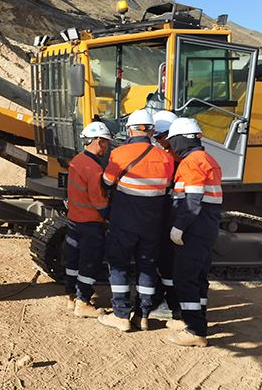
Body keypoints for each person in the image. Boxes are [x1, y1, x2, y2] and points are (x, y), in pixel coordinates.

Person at [97, 109, 175, 332]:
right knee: (147, 267)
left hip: (124, 222)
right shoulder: (166, 158)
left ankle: (121, 315)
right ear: (151, 131)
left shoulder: (120, 153)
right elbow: (166, 188)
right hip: (152, 225)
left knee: (119, 265)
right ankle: (143, 315)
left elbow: (107, 182)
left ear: (130, 130)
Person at [165, 117, 223, 347]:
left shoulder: (191, 162)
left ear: (180, 140)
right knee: (199, 278)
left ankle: (195, 330)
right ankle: (198, 321)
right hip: (207, 227)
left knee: (185, 279)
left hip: (193, 230)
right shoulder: (208, 159)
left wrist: (178, 227)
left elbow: (193, 200)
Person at [64, 121, 112, 317]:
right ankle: (83, 302)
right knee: (89, 262)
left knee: (74, 259)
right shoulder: (94, 168)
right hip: (91, 221)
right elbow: (98, 200)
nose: (107, 148)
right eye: (106, 143)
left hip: (74, 218)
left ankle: (72, 296)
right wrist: (110, 215)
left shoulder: (77, 160)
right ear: (99, 141)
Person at [150, 110, 182, 322]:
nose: (158, 141)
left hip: (174, 216)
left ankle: (172, 305)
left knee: (169, 262)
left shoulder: (176, 158)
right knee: (164, 262)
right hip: (170, 214)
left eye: (161, 137)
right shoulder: (174, 154)